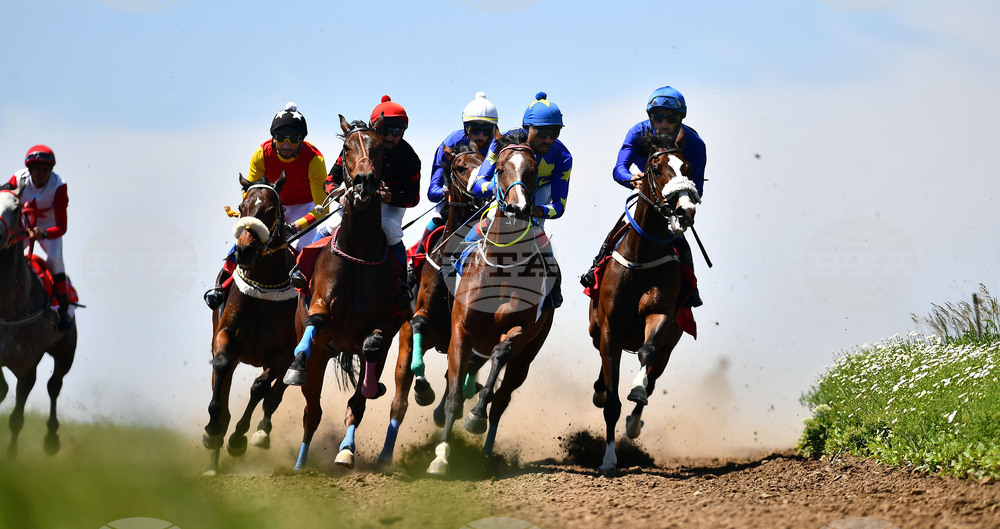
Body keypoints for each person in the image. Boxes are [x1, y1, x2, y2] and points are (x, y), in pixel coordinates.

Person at [579, 85, 707, 307]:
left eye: (671, 118)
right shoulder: (637, 133)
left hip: (675, 196)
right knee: (624, 223)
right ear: (651, 116)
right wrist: (631, 179)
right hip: (645, 191)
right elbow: (619, 168)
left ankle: (691, 288)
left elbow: (697, 187)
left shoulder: (695, 144)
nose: (664, 124)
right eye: (658, 117)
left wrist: (683, 204)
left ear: (680, 118)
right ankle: (597, 264)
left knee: (679, 237)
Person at [203, 102, 328, 309]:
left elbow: (323, 208)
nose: (286, 144)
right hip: (269, 205)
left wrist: (296, 226)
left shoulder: (315, 159)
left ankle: (308, 303)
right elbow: (249, 193)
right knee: (248, 239)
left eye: (294, 139)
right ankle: (221, 286)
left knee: (305, 252)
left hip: (304, 208)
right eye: (281, 138)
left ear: (302, 140)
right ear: (273, 137)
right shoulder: (261, 154)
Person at [312, 95, 421, 307]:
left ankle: (400, 285)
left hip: (390, 203)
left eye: (396, 132)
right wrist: (339, 194)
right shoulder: (357, 146)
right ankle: (305, 268)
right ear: (375, 128)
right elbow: (329, 182)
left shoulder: (409, 157)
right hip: (355, 196)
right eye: (385, 131)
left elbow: (414, 198)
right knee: (332, 224)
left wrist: (391, 196)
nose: (390, 137)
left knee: (389, 228)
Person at [468, 91, 572, 308]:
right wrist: (499, 188)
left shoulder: (563, 157)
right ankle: (454, 265)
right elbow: (477, 186)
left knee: (535, 229)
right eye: (542, 132)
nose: (548, 140)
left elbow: (559, 207)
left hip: (539, 193)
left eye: (555, 133)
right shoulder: (502, 144)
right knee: (481, 225)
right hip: (508, 189)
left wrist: (538, 211)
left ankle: (553, 282)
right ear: (528, 128)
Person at [416, 91, 498, 255]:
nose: (481, 136)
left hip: (486, 201)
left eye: (487, 131)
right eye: (475, 129)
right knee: (435, 220)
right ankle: (416, 262)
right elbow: (433, 192)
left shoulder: (498, 146)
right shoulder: (450, 143)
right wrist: (446, 192)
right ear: (465, 128)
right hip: (455, 198)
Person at [4, 145, 73, 330]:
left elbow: (62, 227)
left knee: (55, 259)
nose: (41, 175)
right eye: (37, 170)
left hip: (49, 229)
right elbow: (4, 197)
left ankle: (65, 310)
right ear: (30, 170)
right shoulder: (19, 179)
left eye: (45, 170)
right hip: (25, 225)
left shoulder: (59, 185)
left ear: (51, 170)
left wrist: (43, 233)